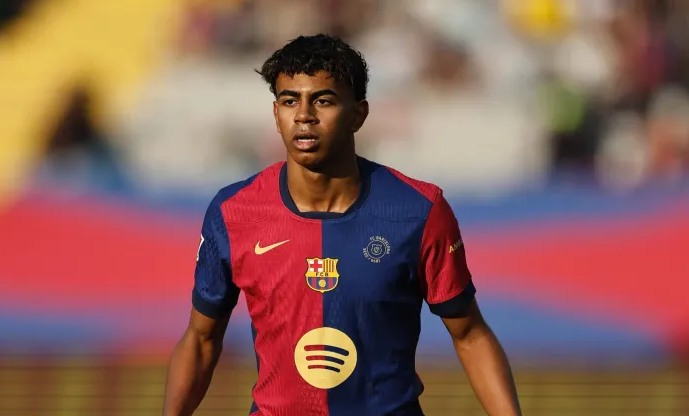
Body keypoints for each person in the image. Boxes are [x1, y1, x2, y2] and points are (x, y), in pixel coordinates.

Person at [163, 34, 521, 416]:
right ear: (276, 113)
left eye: (323, 100)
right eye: (289, 100)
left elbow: (469, 334)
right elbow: (201, 340)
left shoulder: (418, 209)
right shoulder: (234, 211)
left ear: (358, 114)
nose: (304, 115)